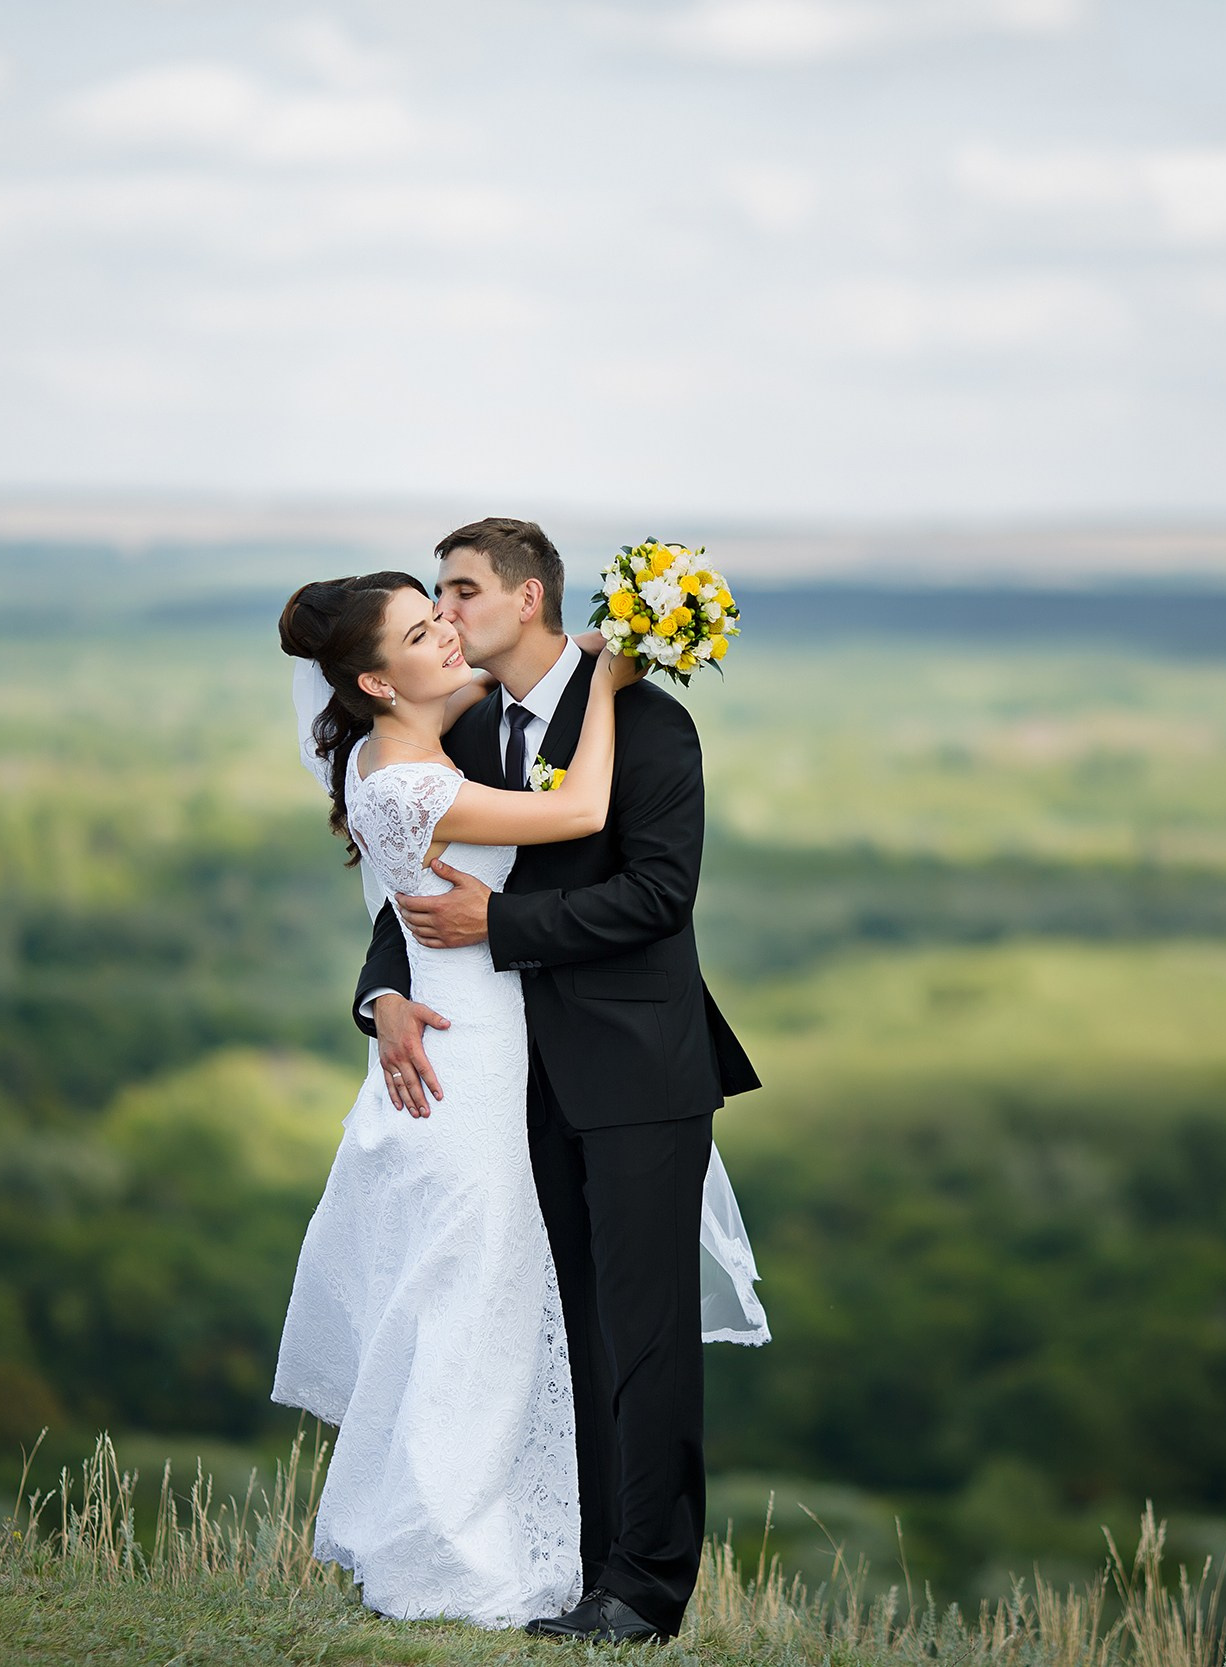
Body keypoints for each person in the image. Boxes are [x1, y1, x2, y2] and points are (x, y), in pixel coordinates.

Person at [353, 519, 763, 1644]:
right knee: (564, 1330)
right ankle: (577, 1567)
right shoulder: (471, 730)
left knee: (643, 1336)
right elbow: (414, 878)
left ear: (528, 599)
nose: (445, 611)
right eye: (435, 595)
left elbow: (657, 894)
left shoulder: (648, 723)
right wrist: (383, 990)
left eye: (462, 589)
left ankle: (645, 1588)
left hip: (638, 1074)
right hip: (511, 1080)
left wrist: (504, 923)